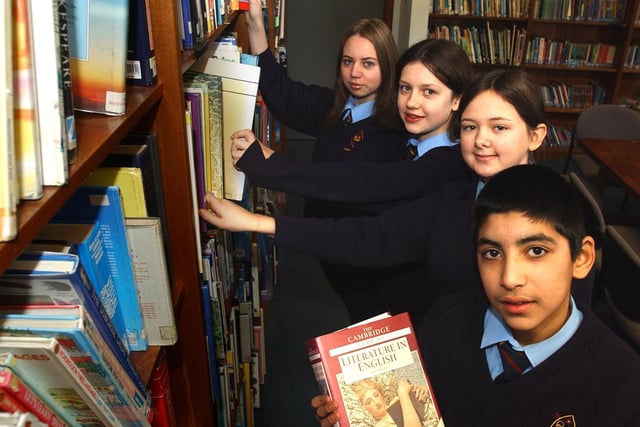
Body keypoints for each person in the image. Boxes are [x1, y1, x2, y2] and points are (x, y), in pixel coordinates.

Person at [200, 69, 564, 326]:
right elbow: (371, 237)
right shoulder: (454, 200)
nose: (481, 140)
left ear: (535, 136)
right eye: (470, 127)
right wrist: (254, 222)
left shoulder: (562, 213)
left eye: (499, 127)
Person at [313, 164, 640, 426]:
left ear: (581, 259)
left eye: (536, 251)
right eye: (492, 254)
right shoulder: (444, 321)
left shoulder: (623, 387)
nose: (510, 279)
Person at [228, 37, 475, 321]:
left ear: (457, 99)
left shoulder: (448, 166)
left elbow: (363, 183)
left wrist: (269, 167)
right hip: (378, 303)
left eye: (429, 92)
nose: (412, 102)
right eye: (405, 88)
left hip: (411, 319)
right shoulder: (405, 138)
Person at [350, 378, 430, 427]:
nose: (376, 402)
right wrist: (403, 394)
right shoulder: (380, 425)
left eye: (376, 395)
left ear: (382, 396)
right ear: (365, 410)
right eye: (368, 402)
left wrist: (423, 390)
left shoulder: (395, 400)